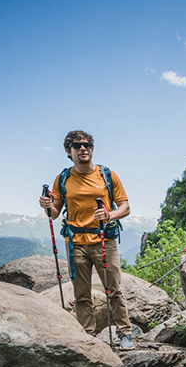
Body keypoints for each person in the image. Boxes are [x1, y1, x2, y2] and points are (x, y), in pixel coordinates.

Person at [39, 130, 135, 350]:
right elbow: (54, 213)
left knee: (113, 288)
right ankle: (88, 335)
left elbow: (125, 207)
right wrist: (47, 205)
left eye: (88, 145)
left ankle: (125, 333)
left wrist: (109, 215)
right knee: (81, 293)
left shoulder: (107, 175)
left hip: (103, 238)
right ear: (68, 151)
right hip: (75, 242)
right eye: (77, 145)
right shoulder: (63, 178)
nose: (84, 149)